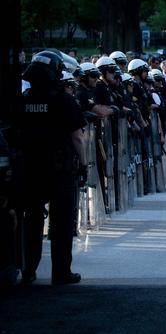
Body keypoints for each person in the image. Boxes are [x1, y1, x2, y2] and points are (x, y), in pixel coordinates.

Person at [17, 51, 87, 285]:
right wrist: (84, 163)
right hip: (60, 169)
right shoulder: (63, 100)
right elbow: (77, 137)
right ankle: (60, 272)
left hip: (30, 169)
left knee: (31, 221)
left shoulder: (24, 99)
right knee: (62, 222)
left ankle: (28, 270)